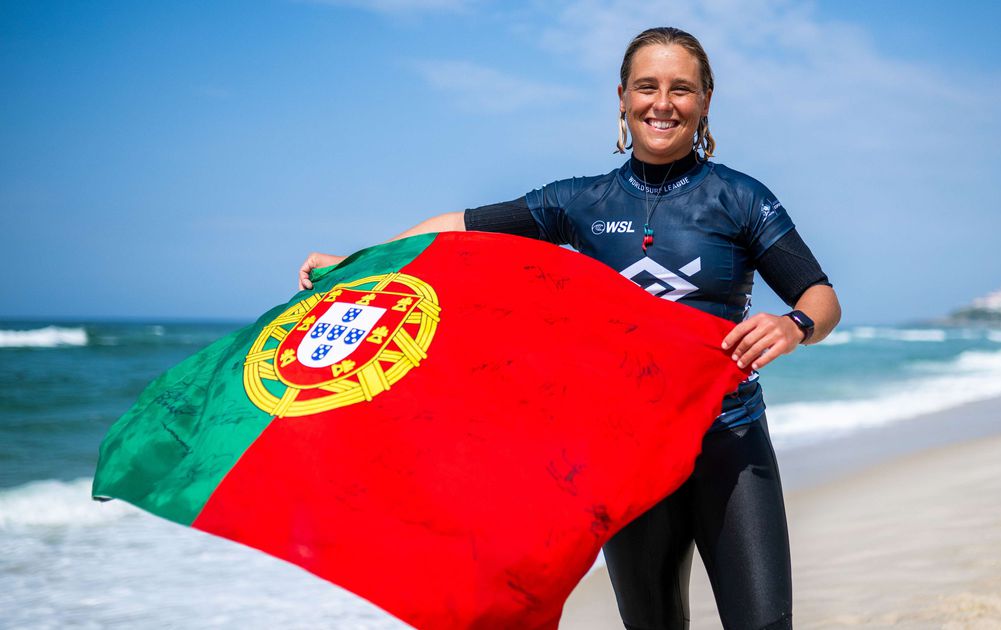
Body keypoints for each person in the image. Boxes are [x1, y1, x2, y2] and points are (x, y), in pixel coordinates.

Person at [299, 26, 840, 630]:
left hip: (730, 444)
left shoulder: (740, 198)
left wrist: (794, 325)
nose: (663, 103)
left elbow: (820, 295)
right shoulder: (581, 201)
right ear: (622, 97)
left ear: (706, 100)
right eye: (647, 87)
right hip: (630, 454)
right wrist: (357, 263)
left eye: (681, 88)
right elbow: (455, 230)